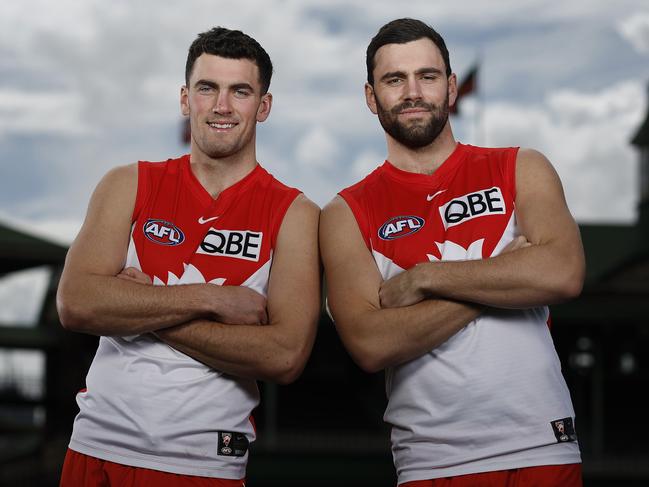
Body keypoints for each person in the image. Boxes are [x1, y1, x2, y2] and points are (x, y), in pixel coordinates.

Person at [320, 18, 585, 487]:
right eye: (394, 79)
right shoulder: (346, 212)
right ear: (370, 96)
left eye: (427, 76)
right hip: (434, 460)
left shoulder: (521, 167)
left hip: (542, 441)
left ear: (451, 87)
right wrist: (505, 274)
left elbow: (562, 273)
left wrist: (424, 276)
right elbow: (371, 343)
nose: (413, 91)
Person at [57, 27, 321, 486]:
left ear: (263, 106)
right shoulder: (129, 183)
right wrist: (211, 300)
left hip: (203, 461)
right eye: (207, 88)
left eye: (240, 91)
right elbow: (77, 303)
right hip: (96, 446)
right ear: (185, 99)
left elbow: (284, 355)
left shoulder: (296, 213)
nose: (222, 106)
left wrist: (137, 307)